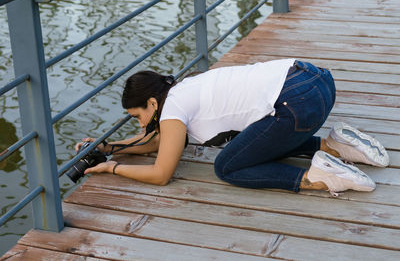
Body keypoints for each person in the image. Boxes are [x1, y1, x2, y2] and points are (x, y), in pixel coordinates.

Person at [75, 59, 390, 196]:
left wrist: (112, 168)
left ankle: (317, 177)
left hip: (296, 105)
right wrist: (106, 147)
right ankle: (336, 146)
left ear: (153, 105)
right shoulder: (184, 90)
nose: (141, 124)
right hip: (315, 81)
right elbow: (158, 143)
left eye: (138, 116)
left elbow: (161, 174)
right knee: (248, 138)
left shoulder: (173, 110)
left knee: (228, 166)